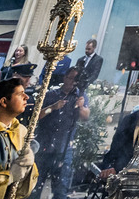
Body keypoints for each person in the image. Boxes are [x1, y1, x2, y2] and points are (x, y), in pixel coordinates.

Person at [28, 67, 87, 199]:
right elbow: (37, 116)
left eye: (76, 80)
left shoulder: (80, 96)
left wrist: (81, 106)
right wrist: (53, 107)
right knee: (34, 186)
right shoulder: (50, 95)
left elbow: (85, 117)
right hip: (45, 145)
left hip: (64, 148)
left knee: (61, 189)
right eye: (71, 78)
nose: (73, 82)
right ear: (65, 78)